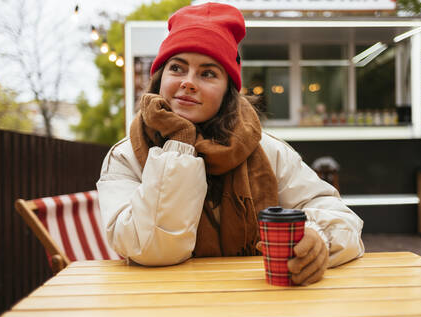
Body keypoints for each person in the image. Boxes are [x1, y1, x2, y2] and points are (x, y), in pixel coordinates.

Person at [97, 2, 364, 285]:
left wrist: (319, 240)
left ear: (228, 91)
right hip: (161, 305)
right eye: (177, 68)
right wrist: (179, 146)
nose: (188, 82)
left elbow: (340, 217)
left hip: (258, 306)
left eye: (208, 73)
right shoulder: (126, 156)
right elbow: (152, 249)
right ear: (160, 78)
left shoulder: (266, 151)